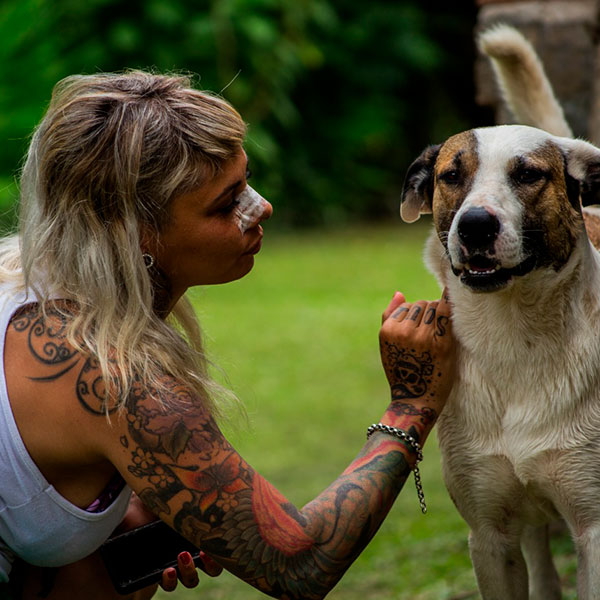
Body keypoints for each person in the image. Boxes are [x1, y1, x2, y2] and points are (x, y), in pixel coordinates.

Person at [0, 70, 455, 600]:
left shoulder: (23, 272)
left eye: (247, 181)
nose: (260, 207)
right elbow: (300, 563)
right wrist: (411, 405)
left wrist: (125, 516)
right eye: (225, 203)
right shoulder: (115, 377)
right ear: (133, 234)